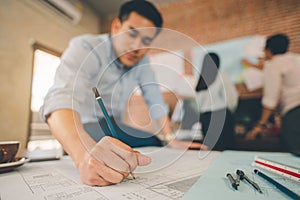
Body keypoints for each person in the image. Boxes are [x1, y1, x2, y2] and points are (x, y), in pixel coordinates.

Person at [40, 0, 204, 186]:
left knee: (154, 142)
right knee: (104, 153)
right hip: (82, 125)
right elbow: (59, 99)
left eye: (146, 41)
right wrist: (83, 157)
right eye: (131, 33)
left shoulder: (142, 63)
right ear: (117, 26)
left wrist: (169, 138)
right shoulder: (86, 48)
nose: (136, 47)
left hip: (114, 124)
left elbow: (154, 99)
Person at [245, 34, 300, 153]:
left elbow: (270, 100)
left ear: (268, 50)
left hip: (294, 114)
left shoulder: (273, 64)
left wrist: (260, 125)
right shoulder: (296, 59)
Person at [195, 52, 238, 150]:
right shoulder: (222, 76)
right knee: (227, 149)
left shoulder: (199, 80)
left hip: (205, 118)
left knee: (211, 149)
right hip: (221, 115)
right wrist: (232, 111)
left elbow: (198, 103)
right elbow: (231, 97)